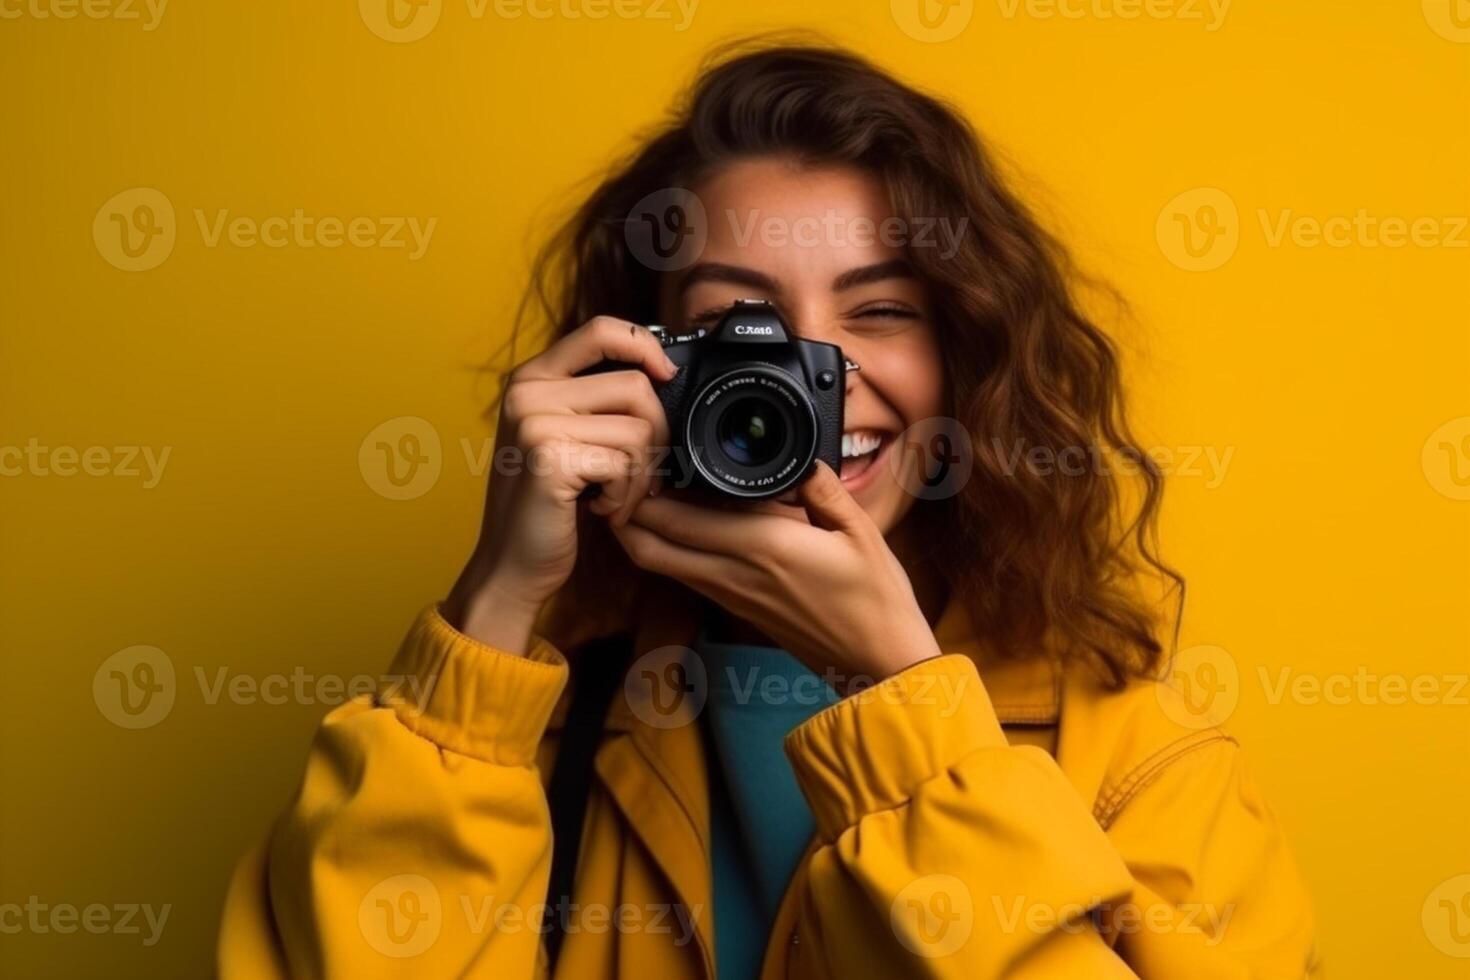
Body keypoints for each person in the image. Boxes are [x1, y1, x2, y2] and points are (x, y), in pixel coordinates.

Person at [218, 41, 1320, 979]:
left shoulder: (1138, 761)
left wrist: (896, 701)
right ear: (632, 367)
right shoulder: (541, 743)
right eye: (734, 318)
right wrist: (494, 607)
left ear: (969, 359)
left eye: (881, 308)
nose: (804, 370)